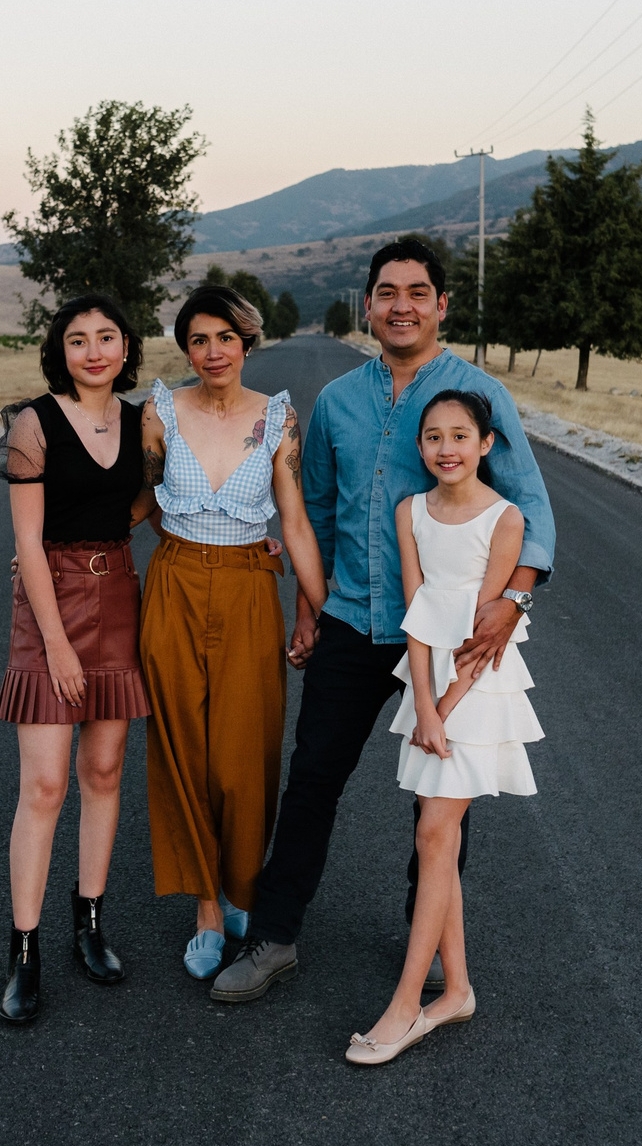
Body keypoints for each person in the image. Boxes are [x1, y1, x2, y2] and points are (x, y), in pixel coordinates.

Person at [211, 234, 556, 1005]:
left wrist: (515, 599)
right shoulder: (337, 400)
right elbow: (321, 516)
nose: (402, 305)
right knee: (312, 781)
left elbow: (532, 508)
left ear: (441, 304)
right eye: (388, 291)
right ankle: (274, 935)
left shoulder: (479, 395)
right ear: (368, 304)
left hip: (446, 634)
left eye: (417, 292)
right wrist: (307, 609)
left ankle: (428, 937)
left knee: (437, 799)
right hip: (352, 620)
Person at [137, 286, 328, 979]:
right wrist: (42, 546)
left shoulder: (278, 419)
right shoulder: (161, 412)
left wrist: (319, 607)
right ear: (185, 348)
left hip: (250, 588)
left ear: (248, 342)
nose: (212, 351)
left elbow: (296, 521)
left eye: (225, 337)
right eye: (198, 339)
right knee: (182, 747)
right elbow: (139, 499)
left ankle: (243, 887)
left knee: (244, 754)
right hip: (176, 585)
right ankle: (208, 913)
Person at [348, 389, 539, 1064]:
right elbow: (418, 610)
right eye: (434, 436)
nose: (447, 447)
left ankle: (407, 1007)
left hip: (480, 685)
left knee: (434, 831)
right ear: (421, 447)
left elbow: (484, 636)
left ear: (486, 444)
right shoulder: (410, 513)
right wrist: (423, 707)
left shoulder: (506, 518)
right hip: (430, 688)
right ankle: (455, 988)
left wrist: (448, 707)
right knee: (438, 834)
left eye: (461, 435)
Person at [0, 294, 154, 1027]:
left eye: (107, 337)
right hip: (49, 598)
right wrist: (54, 641)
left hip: (118, 590)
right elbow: (26, 541)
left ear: (126, 347)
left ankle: (89, 922)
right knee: (47, 782)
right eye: (79, 339)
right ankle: (24, 949)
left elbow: (150, 501)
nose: (94, 350)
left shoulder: (140, 420)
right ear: (62, 349)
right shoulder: (35, 422)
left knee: (104, 770)